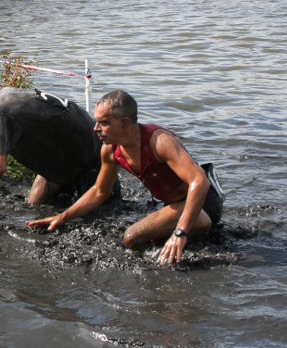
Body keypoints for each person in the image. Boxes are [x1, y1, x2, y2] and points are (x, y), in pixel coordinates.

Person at [27, 90, 225, 265]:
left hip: (202, 205)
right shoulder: (110, 150)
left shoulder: (159, 141)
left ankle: (195, 229)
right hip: (173, 205)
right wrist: (62, 217)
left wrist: (179, 233)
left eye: (104, 123)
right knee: (136, 237)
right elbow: (100, 191)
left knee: (131, 237)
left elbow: (199, 181)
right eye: (96, 121)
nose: (96, 128)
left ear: (124, 123)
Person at [0, 74, 118, 210]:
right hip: (64, 148)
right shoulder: (1, 95)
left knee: (104, 213)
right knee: (35, 207)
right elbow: (1, 139)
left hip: (89, 153)